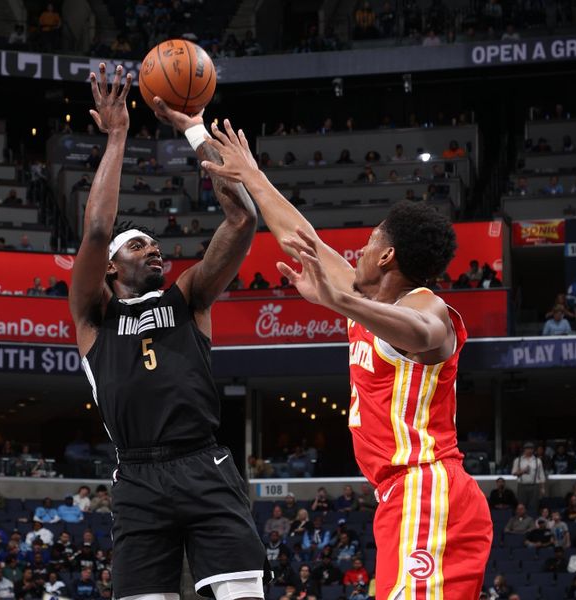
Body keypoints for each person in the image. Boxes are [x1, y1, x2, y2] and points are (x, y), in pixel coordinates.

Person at [202, 118, 492, 599]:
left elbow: (426, 332)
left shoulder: (422, 305)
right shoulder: (365, 298)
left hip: (427, 487)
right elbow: (302, 236)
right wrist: (251, 174)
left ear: (387, 256)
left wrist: (339, 303)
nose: (360, 248)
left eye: (373, 239)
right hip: (401, 498)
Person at [68, 64, 267, 600]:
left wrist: (194, 129)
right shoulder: (94, 317)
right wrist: (117, 137)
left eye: (155, 245)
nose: (153, 249)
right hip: (136, 477)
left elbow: (242, 218)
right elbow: (95, 229)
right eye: (138, 246)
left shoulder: (188, 297)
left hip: (204, 462)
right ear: (111, 268)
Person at [512, 442, 547, 510]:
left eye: (531, 449)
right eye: (527, 449)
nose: (529, 450)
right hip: (522, 485)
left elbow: (541, 475)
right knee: (521, 505)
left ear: (533, 450)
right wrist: (523, 471)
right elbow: (513, 473)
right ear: (524, 450)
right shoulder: (518, 460)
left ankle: (532, 519)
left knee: (534, 505)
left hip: (534, 486)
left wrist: (542, 488)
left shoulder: (538, 460)